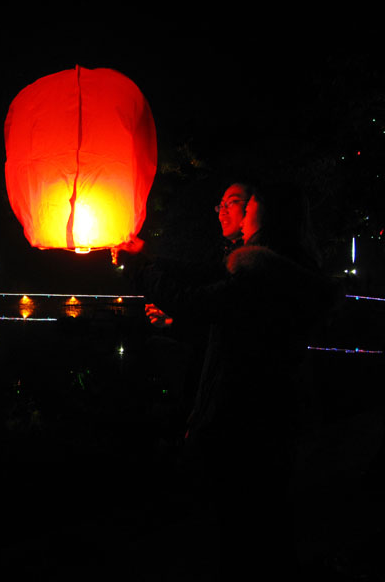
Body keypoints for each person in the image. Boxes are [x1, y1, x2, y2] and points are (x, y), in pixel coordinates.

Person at [118, 180, 338, 580]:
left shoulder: (265, 273)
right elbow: (210, 291)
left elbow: (199, 302)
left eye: (248, 201)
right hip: (271, 419)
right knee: (263, 527)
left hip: (247, 422)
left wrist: (139, 270)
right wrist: (148, 261)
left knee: (245, 532)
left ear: (266, 212)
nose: (236, 209)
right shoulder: (281, 266)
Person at [145, 181, 251, 328]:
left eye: (232, 202)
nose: (223, 211)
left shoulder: (252, 264)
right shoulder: (220, 254)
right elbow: (207, 312)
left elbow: (203, 303)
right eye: (221, 205)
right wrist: (172, 319)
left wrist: (141, 266)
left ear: (253, 209)